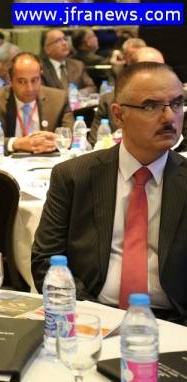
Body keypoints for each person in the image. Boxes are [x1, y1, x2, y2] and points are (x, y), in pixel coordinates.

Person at [32, 62, 187, 323]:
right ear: (118, 115)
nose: (169, 117)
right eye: (151, 106)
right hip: (91, 314)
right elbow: (45, 262)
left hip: (174, 322)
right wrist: (93, 315)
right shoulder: (74, 176)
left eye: (177, 103)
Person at [0, 52, 74, 154]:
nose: (29, 88)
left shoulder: (59, 99)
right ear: (10, 80)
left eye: (34, 80)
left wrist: (56, 140)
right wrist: (16, 143)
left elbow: (73, 137)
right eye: (22, 81)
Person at [90, 46, 165, 143]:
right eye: (149, 69)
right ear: (133, 70)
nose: (158, 76)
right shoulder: (109, 100)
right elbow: (95, 142)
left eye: (162, 69)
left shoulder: (176, 100)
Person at [41, 29, 96, 94]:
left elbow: (91, 87)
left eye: (65, 39)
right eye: (58, 41)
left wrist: (79, 93)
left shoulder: (78, 65)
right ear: (47, 49)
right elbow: (41, 93)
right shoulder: (41, 69)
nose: (64, 43)